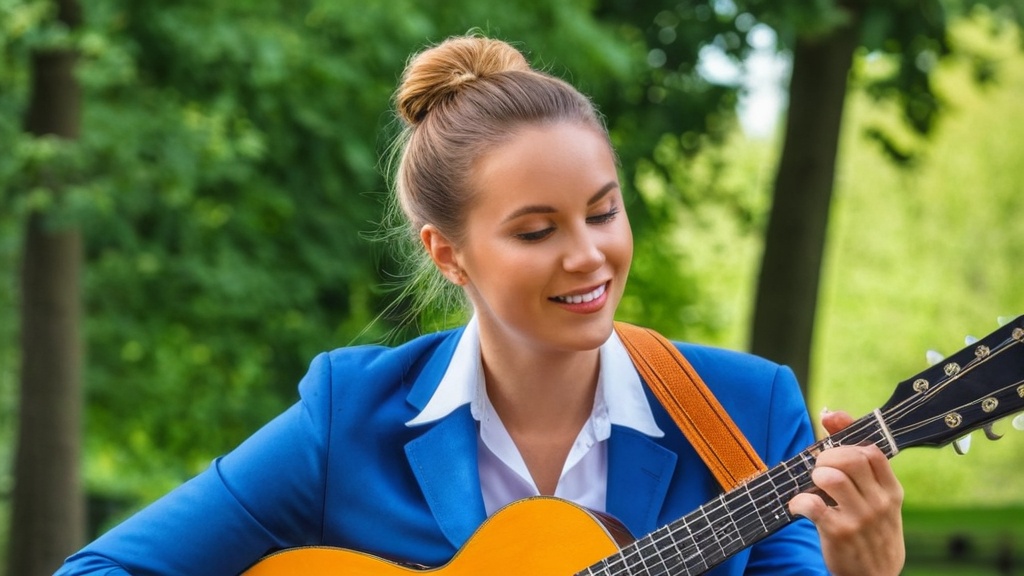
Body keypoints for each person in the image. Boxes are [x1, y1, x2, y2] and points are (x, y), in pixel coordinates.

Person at [57, 34, 905, 575]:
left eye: (603, 211)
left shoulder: (747, 411)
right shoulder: (346, 415)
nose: (589, 255)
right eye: (536, 231)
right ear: (449, 253)